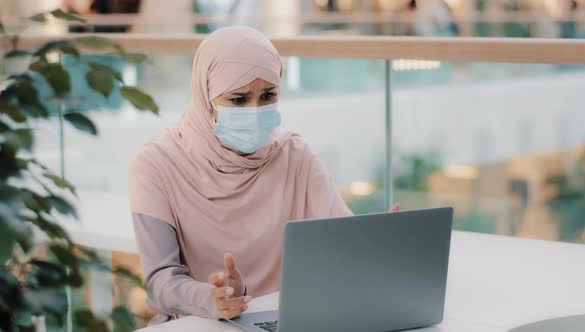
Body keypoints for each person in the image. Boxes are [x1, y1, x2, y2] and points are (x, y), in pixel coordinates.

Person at [128, 26, 400, 324]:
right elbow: (159, 282)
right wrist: (212, 298)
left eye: (268, 95)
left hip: (289, 320)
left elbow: (341, 236)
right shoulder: (155, 165)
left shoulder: (294, 153)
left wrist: (378, 242)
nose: (255, 110)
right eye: (238, 99)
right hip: (200, 324)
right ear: (206, 97)